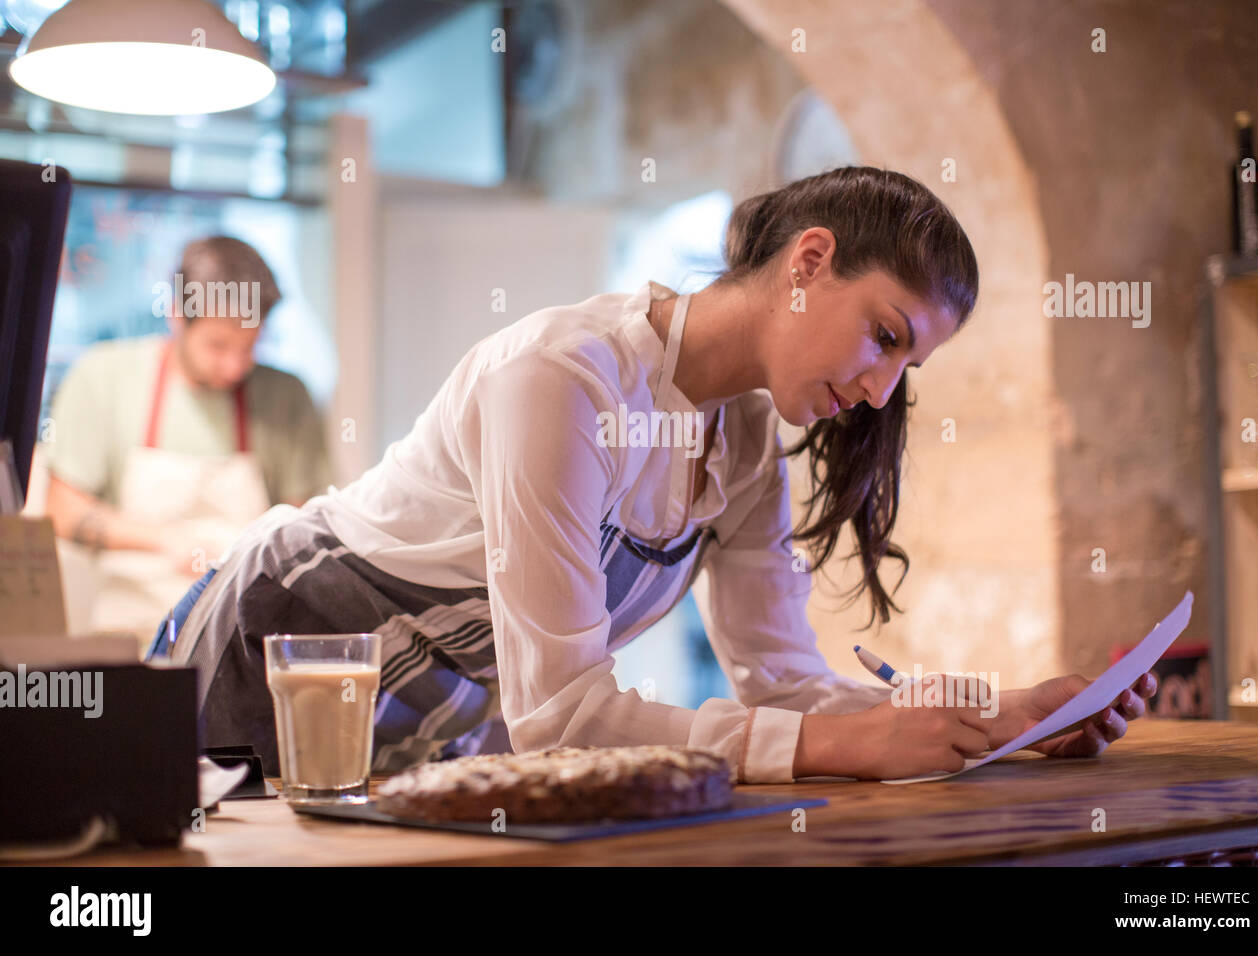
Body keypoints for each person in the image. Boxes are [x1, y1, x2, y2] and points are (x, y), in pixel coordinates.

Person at [152, 167, 1157, 782]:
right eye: (884, 334)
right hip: (265, 650)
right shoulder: (562, 376)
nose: (884, 387)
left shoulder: (749, 439)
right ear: (808, 260)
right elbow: (563, 720)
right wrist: (851, 747)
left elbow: (786, 681)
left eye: (909, 366)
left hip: (419, 722)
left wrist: (1005, 713)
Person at [43, 235, 332, 652]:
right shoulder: (102, 378)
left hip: (243, 642)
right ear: (177, 315)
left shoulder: (287, 397)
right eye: (217, 346)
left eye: (249, 347)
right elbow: (63, 511)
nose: (235, 366)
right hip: (133, 641)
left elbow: (307, 524)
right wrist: (166, 541)